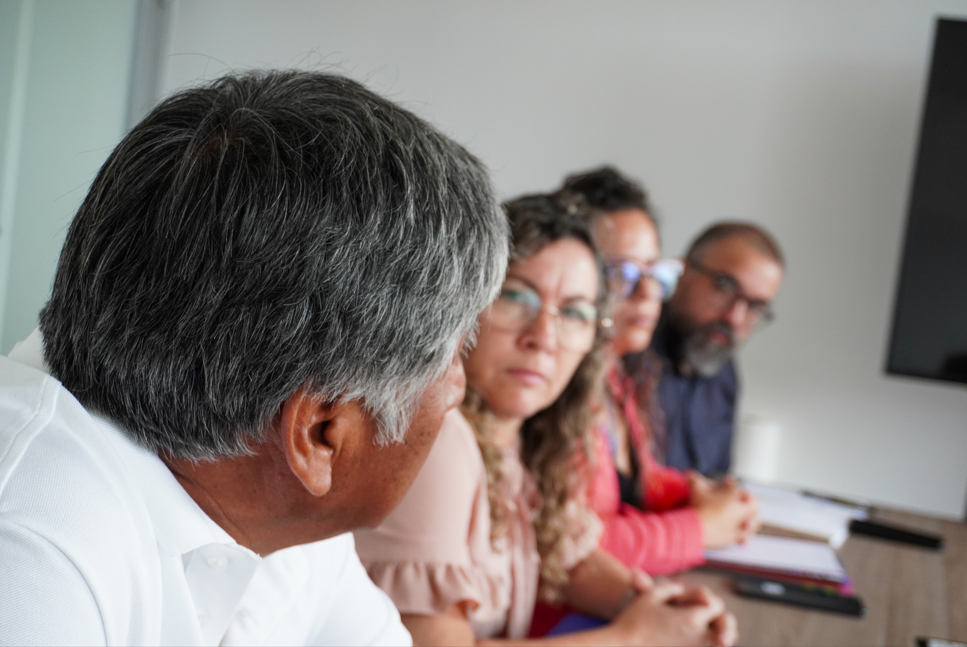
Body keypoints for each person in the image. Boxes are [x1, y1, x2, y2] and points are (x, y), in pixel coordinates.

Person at [0, 70, 509, 645]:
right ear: (320, 433)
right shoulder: (27, 551)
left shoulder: (273, 502)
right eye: (454, 354)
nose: (458, 389)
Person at [355, 192, 737, 647]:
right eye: (517, 296)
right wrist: (632, 638)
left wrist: (655, 605)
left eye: (574, 312)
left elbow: (566, 555)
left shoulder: (518, 437)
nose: (544, 338)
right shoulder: (439, 439)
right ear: (466, 304)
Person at [558, 167, 759, 580]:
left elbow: (632, 484)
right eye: (624, 275)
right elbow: (573, 548)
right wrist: (702, 528)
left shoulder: (618, 376)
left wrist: (698, 495)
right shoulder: (549, 390)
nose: (649, 294)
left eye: (656, 274)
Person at [644, 222, 785, 475]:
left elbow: (716, 481)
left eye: (755, 306)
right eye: (724, 286)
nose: (735, 318)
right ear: (683, 272)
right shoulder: (629, 350)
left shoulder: (724, 376)